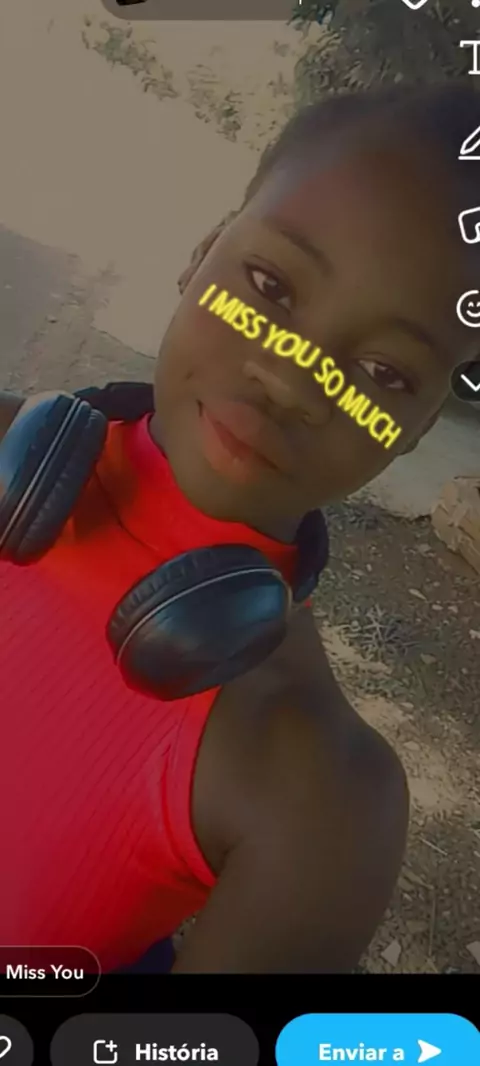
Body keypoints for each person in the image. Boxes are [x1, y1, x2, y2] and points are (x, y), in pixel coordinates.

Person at [1, 81, 478, 975]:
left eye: (384, 371)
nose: (293, 379)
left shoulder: (321, 799)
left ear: (414, 430)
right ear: (201, 253)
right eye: (270, 285)